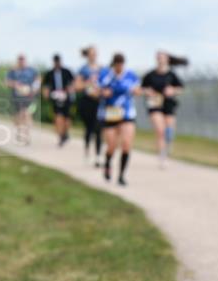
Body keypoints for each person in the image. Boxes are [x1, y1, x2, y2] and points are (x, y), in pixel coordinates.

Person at [99, 53, 141, 186]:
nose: (119, 67)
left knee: (127, 144)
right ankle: (107, 163)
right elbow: (95, 90)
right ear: (114, 64)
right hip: (110, 113)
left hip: (127, 113)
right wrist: (103, 93)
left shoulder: (131, 76)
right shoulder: (106, 75)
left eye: (121, 64)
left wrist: (136, 91)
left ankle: (121, 175)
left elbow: (139, 90)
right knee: (112, 145)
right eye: (117, 64)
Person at [141, 51, 186, 168]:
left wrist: (172, 90)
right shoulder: (150, 75)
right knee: (160, 131)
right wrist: (147, 91)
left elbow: (181, 88)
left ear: (167, 60)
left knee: (169, 132)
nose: (160, 60)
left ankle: (168, 146)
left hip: (169, 104)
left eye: (163, 58)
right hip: (155, 104)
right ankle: (162, 157)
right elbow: (141, 89)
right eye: (158, 57)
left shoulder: (172, 75)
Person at [76, 46, 104, 167]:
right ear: (87, 55)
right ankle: (87, 152)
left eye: (95, 53)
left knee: (98, 128)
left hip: (99, 101)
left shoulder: (102, 69)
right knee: (89, 128)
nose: (93, 56)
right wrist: (88, 82)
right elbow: (77, 86)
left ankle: (98, 156)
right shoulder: (83, 69)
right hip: (87, 101)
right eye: (91, 54)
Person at [42, 54, 75, 147]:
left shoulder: (67, 72)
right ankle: (61, 136)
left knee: (67, 118)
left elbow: (73, 83)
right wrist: (47, 94)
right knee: (58, 117)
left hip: (67, 98)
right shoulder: (49, 73)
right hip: (55, 98)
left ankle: (65, 133)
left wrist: (68, 91)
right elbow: (46, 86)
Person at [5, 54, 39, 144]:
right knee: (19, 116)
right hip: (17, 97)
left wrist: (34, 89)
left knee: (27, 114)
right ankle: (19, 132)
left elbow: (37, 80)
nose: (21, 61)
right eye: (20, 60)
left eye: (23, 59)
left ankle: (26, 136)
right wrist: (15, 84)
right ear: (17, 61)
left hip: (29, 97)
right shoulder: (12, 71)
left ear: (25, 60)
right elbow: (7, 82)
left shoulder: (32, 70)